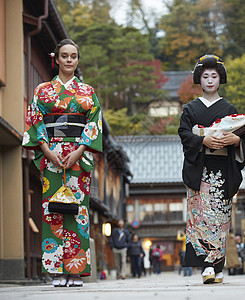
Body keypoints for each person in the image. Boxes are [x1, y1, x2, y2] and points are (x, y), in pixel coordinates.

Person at [22, 39, 102, 287]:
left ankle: (75, 271)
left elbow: (93, 122)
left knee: (78, 212)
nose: (69, 60)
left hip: (77, 155)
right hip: (52, 154)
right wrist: (46, 150)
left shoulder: (87, 92)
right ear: (55, 59)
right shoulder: (42, 91)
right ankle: (57, 270)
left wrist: (79, 151)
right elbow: (35, 120)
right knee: (53, 211)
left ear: (78, 60)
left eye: (73, 56)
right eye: (64, 56)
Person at [178, 54, 245, 284]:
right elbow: (185, 135)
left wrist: (236, 141)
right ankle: (207, 264)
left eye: (214, 76)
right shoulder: (190, 109)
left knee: (220, 218)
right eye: (205, 76)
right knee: (200, 218)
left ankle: (217, 267)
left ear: (220, 79)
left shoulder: (229, 108)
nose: (209, 80)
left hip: (222, 169)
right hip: (200, 168)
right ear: (199, 78)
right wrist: (202, 141)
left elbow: (240, 136)